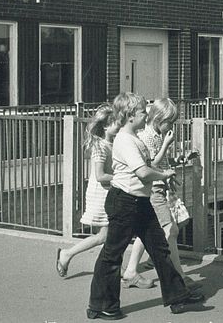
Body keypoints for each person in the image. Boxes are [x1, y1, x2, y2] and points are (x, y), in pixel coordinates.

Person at [87, 92, 205, 320]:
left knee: (160, 249)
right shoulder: (124, 139)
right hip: (124, 202)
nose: (146, 114)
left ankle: (177, 296)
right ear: (130, 116)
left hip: (139, 202)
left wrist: (162, 172)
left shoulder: (135, 137)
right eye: (142, 111)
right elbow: (142, 172)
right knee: (112, 255)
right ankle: (101, 304)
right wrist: (164, 173)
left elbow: (147, 164)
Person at [56, 104, 154, 283]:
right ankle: (68, 253)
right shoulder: (100, 147)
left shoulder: (115, 142)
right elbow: (100, 176)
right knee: (106, 235)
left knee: (111, 234)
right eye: (117, 123)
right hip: (101, 193)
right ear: (106, 126)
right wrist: (123, 176)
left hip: (112, 190)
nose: (120, 126)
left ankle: (118, 267)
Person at [122, 98, 202, 294]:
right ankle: (178, 276)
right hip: (153, 188)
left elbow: (163, 162)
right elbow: (150, 166)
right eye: (169, 122)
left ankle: (131, 271)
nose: (171, 126)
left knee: (147, 229)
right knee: (171, 230)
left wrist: (177, 159)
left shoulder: (156, 135)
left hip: (159, 186)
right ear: (158, 119)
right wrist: (166, 144)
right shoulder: (149, 137)